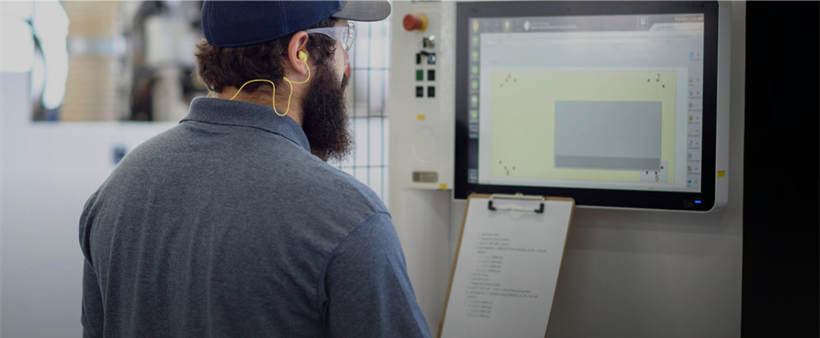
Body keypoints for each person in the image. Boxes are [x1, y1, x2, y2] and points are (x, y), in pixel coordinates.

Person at [78, 1, 431, 337]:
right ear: (300, 52)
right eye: (344, 40)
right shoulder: (349, 219)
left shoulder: (117, 192)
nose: (346, 61)